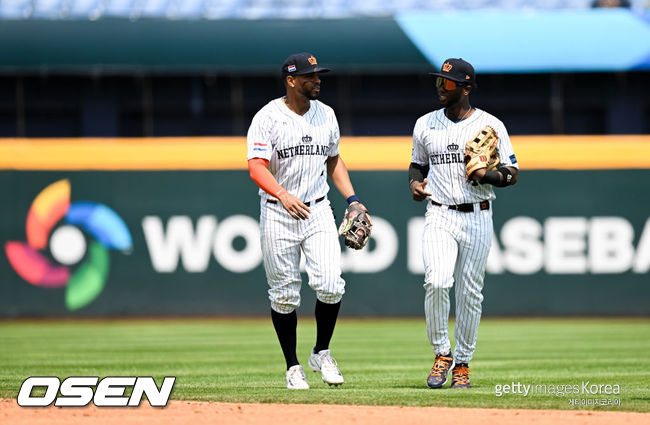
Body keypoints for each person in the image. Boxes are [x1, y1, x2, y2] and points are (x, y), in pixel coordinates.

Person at [247, 52, 370, 389]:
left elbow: (333, 160)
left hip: (317, 209)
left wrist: (353, 199)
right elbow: (256, 165)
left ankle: (321, 351)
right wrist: (283, 194)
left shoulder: (326, 114)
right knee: (284, 295)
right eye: (310, 76)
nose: (317, 80)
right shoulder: (267, 118)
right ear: (291, 80)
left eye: (319, 75)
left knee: (331, 284)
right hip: (277, 209)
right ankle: (292, 366)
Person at [408, 58, 519, 389]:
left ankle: (463, 364)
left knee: (470, 293)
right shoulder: (425, 124)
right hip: (440, 212)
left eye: (449, 83)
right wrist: (415, 184)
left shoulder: (491, 125)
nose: (441, 87)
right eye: (439, 82)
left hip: (478, 213)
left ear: (466, 88)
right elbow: (417, 165)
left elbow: (513, 174)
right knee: (437, 282)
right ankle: (442, 354)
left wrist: (490, 175)